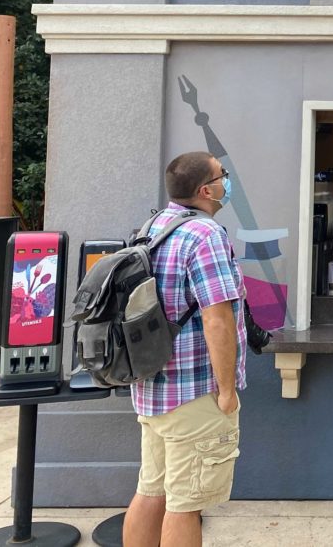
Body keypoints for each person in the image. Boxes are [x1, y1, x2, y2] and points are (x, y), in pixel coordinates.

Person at [123, 151, 247, 547]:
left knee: (151, 491)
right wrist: (226, 391)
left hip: (153, 389)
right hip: (193, 393)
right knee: (185, 505)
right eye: (222, 174)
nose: (227, 180)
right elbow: (217, 319)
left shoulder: (154, 226)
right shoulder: (206, 235)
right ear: (206, 190)